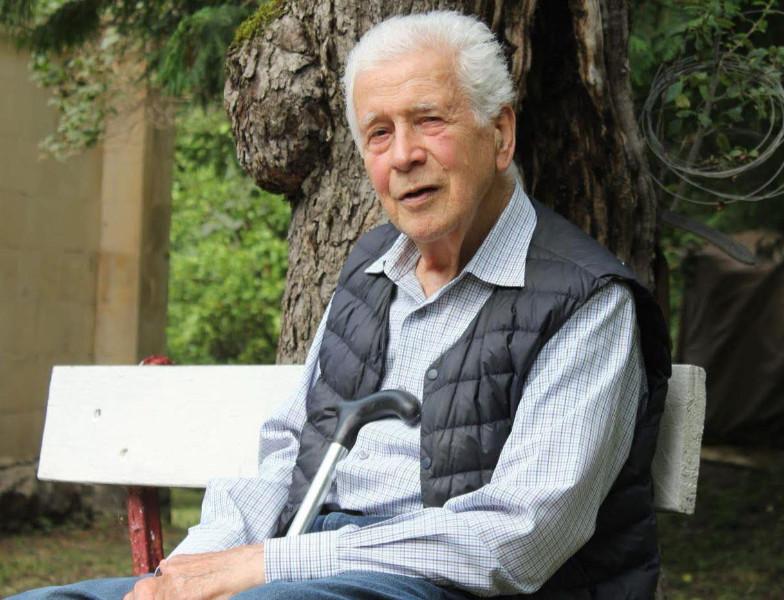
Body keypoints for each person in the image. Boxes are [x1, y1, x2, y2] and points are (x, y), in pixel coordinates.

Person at [14, 10, 670, 600]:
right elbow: (288, 449)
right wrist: (185, 574)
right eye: (379, 133)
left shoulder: (587, 301)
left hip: (438, 583)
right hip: (305, 571)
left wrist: (273, 563)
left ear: (500, 134)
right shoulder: (372, 270)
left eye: (429, 120)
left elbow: (514, 540)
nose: (404, 156)